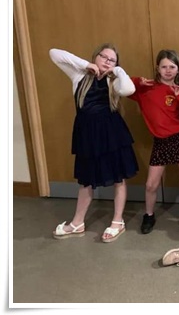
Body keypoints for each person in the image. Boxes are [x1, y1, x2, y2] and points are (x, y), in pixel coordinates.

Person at [50, 44, 139, 242]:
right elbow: (54, 54)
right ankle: (77, 222)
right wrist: (86, 65)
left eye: (112, 60)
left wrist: (117, 70)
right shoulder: (79, 75)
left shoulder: (114, 81)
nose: (107, 61)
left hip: (111, 135)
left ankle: (117, 221)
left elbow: (128, 89)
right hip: (87, 135)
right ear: (95, 56)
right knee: (86, 180)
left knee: (118, 178)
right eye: (104, 57)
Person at [129, 49, 179, 235]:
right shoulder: (147, 88)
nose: (168, 70)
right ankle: (149, 215)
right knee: (151, 184)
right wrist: (138, 81)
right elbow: (123, 86)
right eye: (164, 67)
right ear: (157, 68)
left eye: (172, 67)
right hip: (160, 141)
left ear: (178, 69)